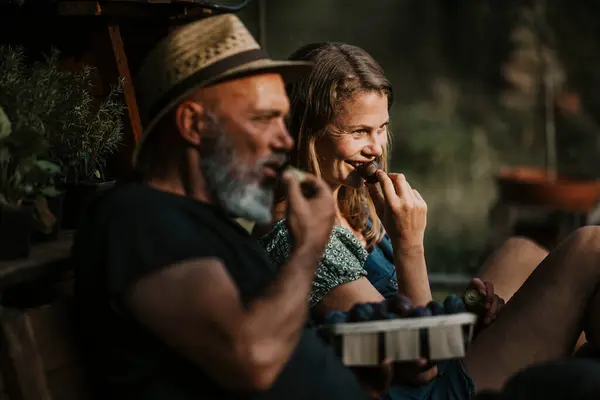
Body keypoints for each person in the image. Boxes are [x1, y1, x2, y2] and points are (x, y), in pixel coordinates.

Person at [257, 42, 600, 396]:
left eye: (381, 128)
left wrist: (468, 310)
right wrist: (409, 245)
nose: (376, 146)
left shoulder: (349, 199)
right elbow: (419, 360)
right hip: (430, 389)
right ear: (305, 132)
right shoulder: (299, 234)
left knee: (522, 251)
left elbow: (407, 305)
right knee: (590, 247)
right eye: (358, 132)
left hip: (443, 352)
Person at [72, 16, 379, 400]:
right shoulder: (139, 218)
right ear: (193, 124)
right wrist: (307, 251)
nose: (285, 140)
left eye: (284, 121)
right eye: (263, 118)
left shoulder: (212, 226)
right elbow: (251, 358)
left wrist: (363, 372)